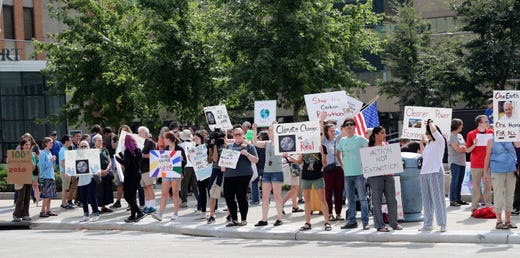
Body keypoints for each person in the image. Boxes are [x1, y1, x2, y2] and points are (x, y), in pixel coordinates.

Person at [366, 126, 402, 232]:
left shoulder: (388, 146)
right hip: (375, 177)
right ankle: (379, 225)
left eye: (385, 132)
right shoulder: (369, 148)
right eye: (382, 133)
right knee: (377, 201)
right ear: (376, 134)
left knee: (392, 200)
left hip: (388, 175)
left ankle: (394, 223)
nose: (384, 135)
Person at [336, 118, 369, 230]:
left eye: (351, 124)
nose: (349, 126)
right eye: (347, 125)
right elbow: (338, 153)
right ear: (344, 128)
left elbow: (370, 149)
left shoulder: (360, 139)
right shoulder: (342, 140)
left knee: (363, 198)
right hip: (348, 174)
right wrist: (342, 165)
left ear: (355, 127)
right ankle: (352, 221)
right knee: (350, 199)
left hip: (360, 173)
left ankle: (365, 221)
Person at [222, 128, 258, 227]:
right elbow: (224, 160)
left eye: (239, 134)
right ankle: (234, 219)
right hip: (229, 175)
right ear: (233, 135)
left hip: (243, 174)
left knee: (241, 197)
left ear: (243, 135)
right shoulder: (229, 146)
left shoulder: (248, 146)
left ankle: (243, 219)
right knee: (229, 197)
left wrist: (247, 154)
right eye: (235, 134)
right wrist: (223, 165)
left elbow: (255, 160)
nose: (238, 136)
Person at [252, 123, 284, 227]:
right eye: (269, 130)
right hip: (267, 171)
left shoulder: (281, 142)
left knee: (277, 196)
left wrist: (276, 127)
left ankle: (279, 218)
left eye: (271, 130)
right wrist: (254, 129)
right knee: (265, 196)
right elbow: (255, 142)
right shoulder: (267, 143)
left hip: (277, 171)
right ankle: (264, 219)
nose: (269, 132)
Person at [418, 120, 447, 232]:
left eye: (427, 133)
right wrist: (422, 143)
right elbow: (424, 155)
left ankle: (442, 223)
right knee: (426, 199)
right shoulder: (429, 143)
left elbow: (434, 131)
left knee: (438, 198)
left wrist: (430, 122)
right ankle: (428, 223)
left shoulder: (440, 140)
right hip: (425, 172)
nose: (426, 134)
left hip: (435, 171)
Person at [483, 138, 518, 229]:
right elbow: (487, 157)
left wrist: (515, 134)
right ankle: (499, 221)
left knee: (509, 195)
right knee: (498, 195)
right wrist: (485, 173)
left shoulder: (512, 139)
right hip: (497, 170)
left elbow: (518, 145)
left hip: (511, 170)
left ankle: (508, 220)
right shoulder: (491, 140)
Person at [152, 132, 186, 221]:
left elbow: (185, 161)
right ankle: (160, 213)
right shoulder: (165, 149)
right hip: (166, 173)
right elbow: (161, 161)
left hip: (176, 172)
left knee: (175, 193)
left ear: (169, 139)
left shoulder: (179, 149)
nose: (163, 140)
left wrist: (182, 160)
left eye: (164, 138)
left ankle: (175, 213)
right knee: (164, 193)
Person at [296, 147, 331, 231]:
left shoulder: (321, 147)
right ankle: (307, 223)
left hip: (318, 176)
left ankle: (327, 222)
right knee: (307, 201)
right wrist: (288, 156)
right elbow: (298, 162)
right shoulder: (303, 147)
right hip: (305, 177)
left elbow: (325, 164)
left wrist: (322, 154)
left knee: (322, 200)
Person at [466, 115, 493, 214]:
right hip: (476, 164)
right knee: (476, 187)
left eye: (487, 121)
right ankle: (474, 206)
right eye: (485, 121)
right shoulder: (471, 134)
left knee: (487, 185)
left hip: (488, 165)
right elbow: (467, 150)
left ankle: (488, 205)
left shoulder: (491, 133)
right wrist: (474, 144)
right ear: (479, 123)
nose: (487, 123)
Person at [115, 134, 145, 223]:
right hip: (137, 174)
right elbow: (132, 161)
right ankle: (132, 215)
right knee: (132, 196)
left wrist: (117, 159)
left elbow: (126, 164)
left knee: (127, 196)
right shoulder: (138, 150)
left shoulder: (128, 151)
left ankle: (139, 212)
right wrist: (121, 155)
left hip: (130, 175)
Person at [322, 118, 345, 221]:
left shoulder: (338, 139)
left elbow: (344, 131)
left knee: (339, 192)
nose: (333, 133)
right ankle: (329, 213)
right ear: (326, 132)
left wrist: (347, 114)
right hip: (328, 169)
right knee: (328, 192)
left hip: (339, 168)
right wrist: (322, 119)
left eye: (334, 131)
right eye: (331, 131)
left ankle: (339, 213)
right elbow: (320, 131)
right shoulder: (324, 141)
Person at [12, 139, 36, 222]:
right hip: (20, 178)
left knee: (27, 197)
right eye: (26, 144)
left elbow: (33, 168)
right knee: (20, 197)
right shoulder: (18, 155)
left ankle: (26, 214)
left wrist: (30, 161)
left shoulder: (31, 155)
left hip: (29, 177)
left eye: (28, 145)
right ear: (22, 146)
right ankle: (16, 214)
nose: (27, 146)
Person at [77, 141, 101, 222]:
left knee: (92, 197)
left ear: (88, 147)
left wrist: (97, 171)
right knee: (83, 198)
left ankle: (95, 213)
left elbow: (96, 165)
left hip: (90, 178)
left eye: (85, 146)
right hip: (81, 179)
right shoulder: (77, 156)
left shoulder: (92, 155)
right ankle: (86, 214)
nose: (83, 148)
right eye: (82, 146)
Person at [206, 129, 226, 224]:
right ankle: (211, 215)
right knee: (213, 194)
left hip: (227, 171)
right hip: (216, 171)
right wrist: (214, 146)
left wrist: (225, 142)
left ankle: (230, 215)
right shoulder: (212, 147)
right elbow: (214, 159)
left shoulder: (226, 145)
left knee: (229, 195)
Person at [448, 118, 468, 207]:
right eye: (461, 125)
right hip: (454, 161)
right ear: (457, 125)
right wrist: (463, 148)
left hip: (462, 161)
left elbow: (465, 146)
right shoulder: (451, 136)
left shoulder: (459, 135)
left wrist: (462, 147)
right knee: (455, 181)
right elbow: (457, 149)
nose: (462, 126)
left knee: (460, 181)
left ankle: (458, 199)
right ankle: (453, 199)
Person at [138, 126, 157, 214]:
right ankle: (148, 205)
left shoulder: (150, 142)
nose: (139, 133)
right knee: (145, 188)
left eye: (141, 132)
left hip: (149, 168)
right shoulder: (139, 143)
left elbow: (153, 155)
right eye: (138, 132)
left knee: (149, 187)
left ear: (146, 132)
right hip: (142, 168)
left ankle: (153, 206)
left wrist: (142, 155)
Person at [92, 134, 113, 213]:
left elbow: (109, 161)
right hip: (97, 173)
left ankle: (104, 207)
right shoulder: (92, 151)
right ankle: (96, 208)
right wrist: (100, 170)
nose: (100, 142)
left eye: (101, 140)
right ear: (94, 141)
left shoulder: (105, 149)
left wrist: (107, 169)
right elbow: (92, 163)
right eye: (99, 140)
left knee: (106, 190)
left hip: (106, 173)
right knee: (98, 191)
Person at [179, 129, 199, 208]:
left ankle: (184, 201)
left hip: (185, 166)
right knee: (194, 184)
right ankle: (199, 199)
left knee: (184, 184)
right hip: (194, 165)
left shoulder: (181, 145)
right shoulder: (194, 144)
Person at [38, 137, 58, 218]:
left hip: (50, 176)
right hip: (45, 177)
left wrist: (53, 161)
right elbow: (41, 165)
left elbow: (51, 166)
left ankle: (48, 210)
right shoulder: (43, 153)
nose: (52, 144)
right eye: (50, 143)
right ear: (46, 143)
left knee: (50, 195)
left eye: (52, 143)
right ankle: (42, 211)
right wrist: (51, 160)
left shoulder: (49, 152)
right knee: (46, 195)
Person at [250, 130, 267, 205]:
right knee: (266, 183)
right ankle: (267, 199)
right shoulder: (268, 144)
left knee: (254, 182)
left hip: (257, 166)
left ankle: (255, 199)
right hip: (266, 166)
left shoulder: (256, 145)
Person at [58, 135, 74, 209]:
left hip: (66, 171)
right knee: (65, 188)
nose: (71, 142)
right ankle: (64, 203)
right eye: (70, 140)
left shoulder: (65, 149)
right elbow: (62, 163)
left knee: (65, 188)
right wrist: (69, 168)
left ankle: (64, 203)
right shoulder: (63, 150)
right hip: (65, 172)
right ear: (66, 141)